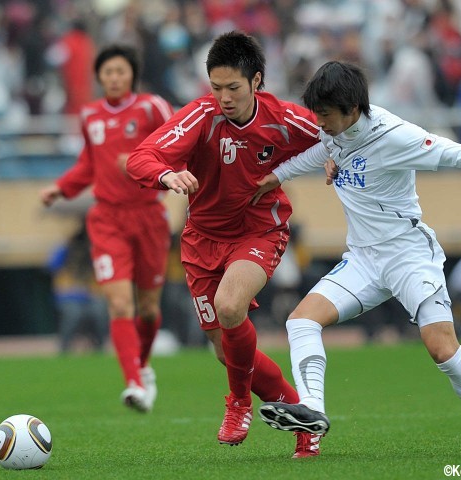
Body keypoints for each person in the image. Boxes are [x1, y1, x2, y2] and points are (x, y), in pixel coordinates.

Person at [253, 61, 461, 456]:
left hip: (408, 256)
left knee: (442, 349)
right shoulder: (335, 132)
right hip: (363, 260)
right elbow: (322, 151)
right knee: (300, 321)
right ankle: (313, 411)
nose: (320, 122)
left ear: (353, 109)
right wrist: (277, 176)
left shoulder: (395, 136)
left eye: (326, 115)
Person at [125, 31, 323, 458]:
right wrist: (167, 175)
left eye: (233, 87)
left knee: (230, 306)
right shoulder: (200, 115)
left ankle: (238, 403)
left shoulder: (285, 117)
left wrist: (334, 157)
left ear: (256, 82)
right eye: (216, 88)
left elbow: (339, 133)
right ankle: (306, 422)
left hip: (258, 230)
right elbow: (141, 157)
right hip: (200, 242)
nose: (224, 97)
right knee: (225, 349)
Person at [40, 45, 174, 412]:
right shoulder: (90, 116)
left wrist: (138, 160)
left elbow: (178, 147)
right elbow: (88, 164)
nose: (114, 78)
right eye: (107, 72)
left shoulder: (152, 107)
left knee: (148, 309)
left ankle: (144, 368)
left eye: (121, 71)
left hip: (148, 216)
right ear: (99, 78)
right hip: (107, 219)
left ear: (132, 74)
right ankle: (132, 382)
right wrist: (62, 187)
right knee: (118, 302)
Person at [47, 220, 108, 353]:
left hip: (91, 294)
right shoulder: (66, 248)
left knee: (100, 311)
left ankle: (99, 346)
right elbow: (51, 267)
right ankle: (64, 347)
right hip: (69, 295)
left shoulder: (96, 250)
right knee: (74, 314)